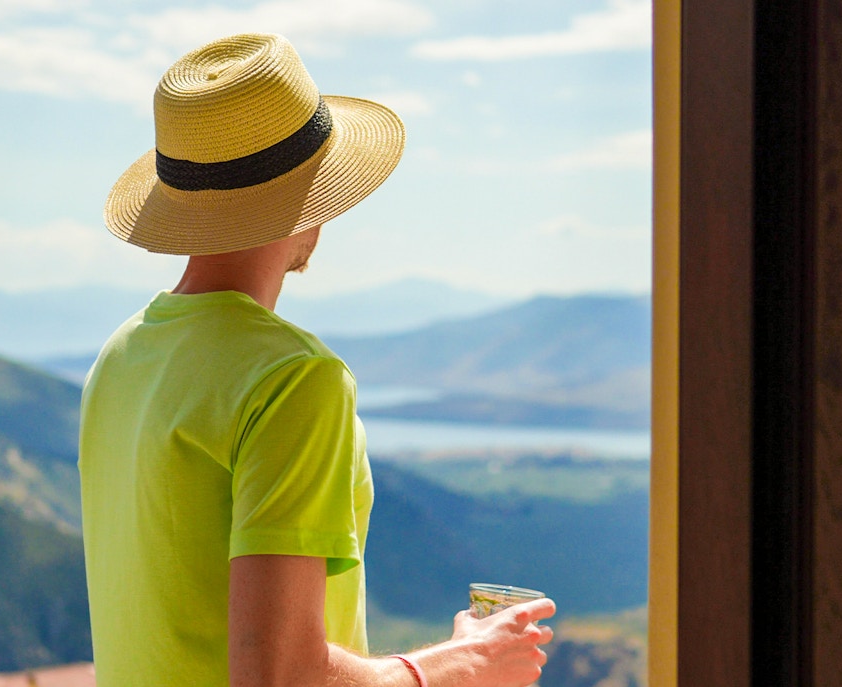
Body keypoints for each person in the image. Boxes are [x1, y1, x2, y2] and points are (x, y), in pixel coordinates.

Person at [78, 32, 556, 687]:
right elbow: (282, 676)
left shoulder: (121, 354)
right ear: (312, 193)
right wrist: (461, 662)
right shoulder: (294, 379)